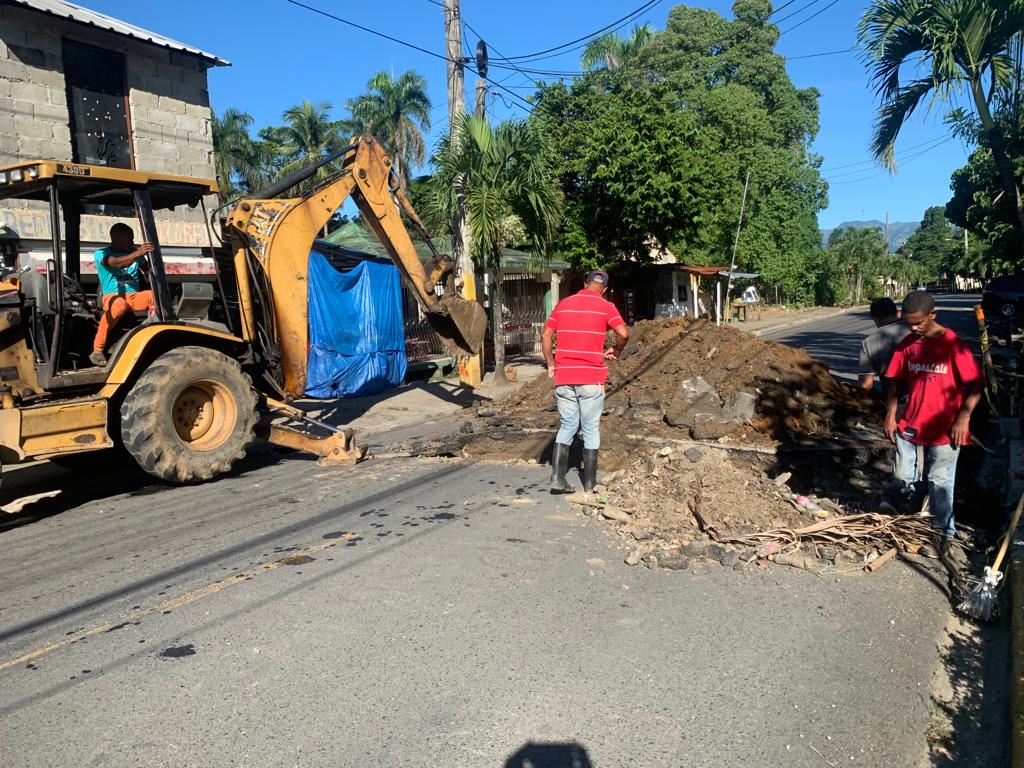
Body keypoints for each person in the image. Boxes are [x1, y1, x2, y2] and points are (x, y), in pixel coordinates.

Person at [881, 291, 982, 552]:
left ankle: (943, 533)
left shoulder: (953, 345)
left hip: (946, 429)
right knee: (903, 475)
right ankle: (910, 508)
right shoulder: (908, 344)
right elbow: (895, 382)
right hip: (911, 423)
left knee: (941, 481)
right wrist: (891, 415)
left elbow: (976, 384)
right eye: (909, 323)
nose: (913, 328)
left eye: (918, 323)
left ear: (933, 314)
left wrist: (963, 419)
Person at [541, 270, 629, 494]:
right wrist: (617, 349)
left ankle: (557, 478)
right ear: (605, 289)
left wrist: (550, 363)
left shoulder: (564, 304)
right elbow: (623, 333)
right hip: (591, 377)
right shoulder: (606, 307)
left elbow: (546, 334)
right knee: (590, 428)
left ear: (584, 283)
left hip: (564, 376)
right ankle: (590, 484)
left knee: (568, 425)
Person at [90, 223, 154, 366]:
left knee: (155, 296)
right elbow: (116, 263)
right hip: (113, 296)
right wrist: (137, 253)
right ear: (117, 237)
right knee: (119, 305)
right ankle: (97, 350)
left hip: (134, 296)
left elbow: (148, 270)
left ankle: (153, 334)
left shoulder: (134, 252)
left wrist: (153, 274)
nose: (133, 241)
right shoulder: (101, 254)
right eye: (130, 238)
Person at [857, 297, 910, 391]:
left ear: (875, 319)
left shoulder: (868, 343)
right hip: (926, 395)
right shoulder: (916, 329)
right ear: (898, 313)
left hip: (892, 397)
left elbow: (865, 385)